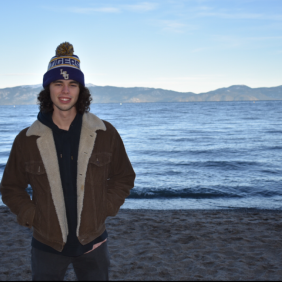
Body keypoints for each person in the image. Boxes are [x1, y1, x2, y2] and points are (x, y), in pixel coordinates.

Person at [0, 42, 136, 281]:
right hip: (46, 247)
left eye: (72, 84)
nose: (65, 91)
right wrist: (32, 215)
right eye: (58, 84)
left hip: (94, 244)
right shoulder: (27, 139)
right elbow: (11, 187)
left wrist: (106, 207)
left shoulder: (105, 133)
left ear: (80, 90)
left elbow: (124, 176)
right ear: (48, 88)